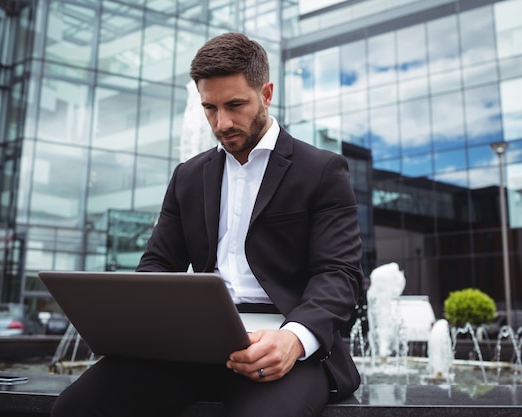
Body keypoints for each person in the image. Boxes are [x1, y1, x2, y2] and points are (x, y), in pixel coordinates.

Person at [51, 32, 364, 417]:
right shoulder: (188, 176)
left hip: (283, 343)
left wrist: (294, 340)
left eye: (235, 104)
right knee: (76, 408)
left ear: (266, 93)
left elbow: (339, 274)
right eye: (210, 108)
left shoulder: (321, 170)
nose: (223, 122)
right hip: (195, 342)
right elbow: (156, 266)